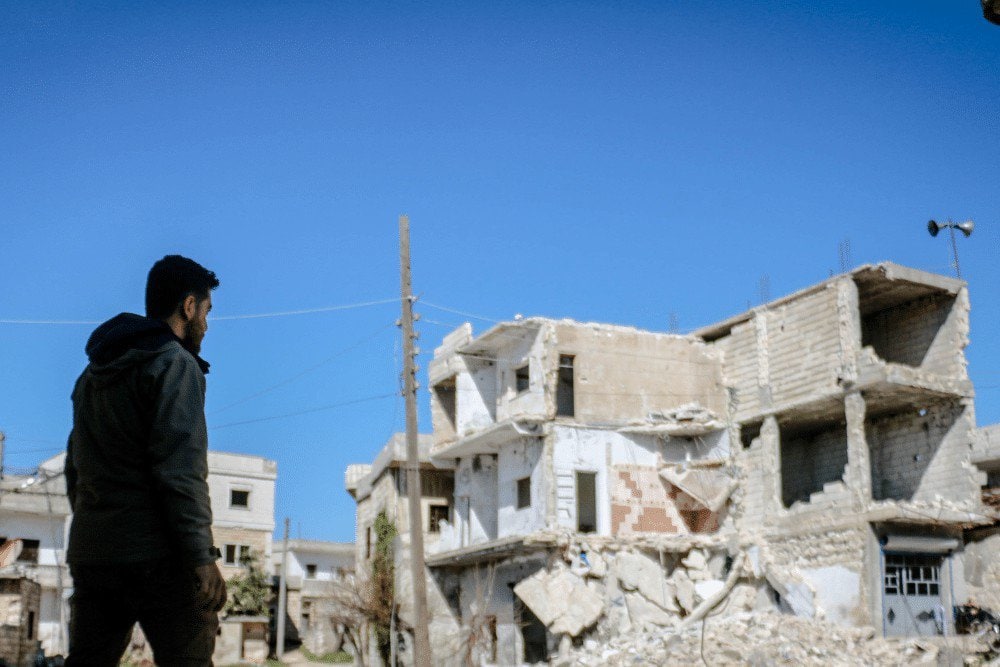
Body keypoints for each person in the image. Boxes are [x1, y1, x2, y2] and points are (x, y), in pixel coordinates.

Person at [65, 255, 226, 666]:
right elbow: (181, 470)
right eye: (206, 311)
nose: (206, 325)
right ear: (189, 307)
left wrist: (99, 526)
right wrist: (201, 557)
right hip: (158, 560)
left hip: (95, 554)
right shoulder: (174, 365)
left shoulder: (91, 376)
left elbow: (75, 469)